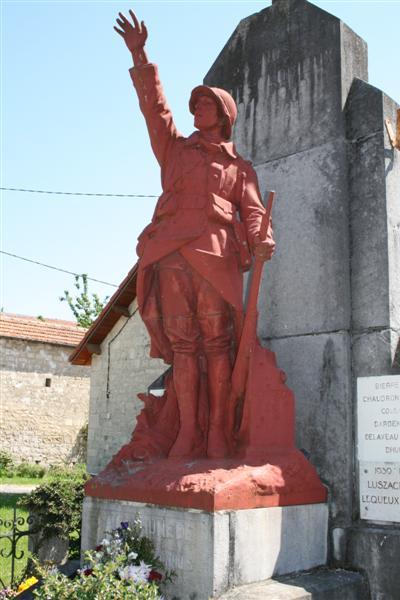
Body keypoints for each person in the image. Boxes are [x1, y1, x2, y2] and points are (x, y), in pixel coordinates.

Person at [114, 10, 275, 460]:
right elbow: (155, 108)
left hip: (217, 255)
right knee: (184, 347)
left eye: (205, 104)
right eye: (196, 104)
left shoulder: (240, 168)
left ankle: (219, 432)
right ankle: (186, 433)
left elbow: (255, 212)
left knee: (217, 343)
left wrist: (263, 237)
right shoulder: (174, 150)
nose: (197, 109)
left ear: (223, 115)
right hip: (170, 254)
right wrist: (140, 54)